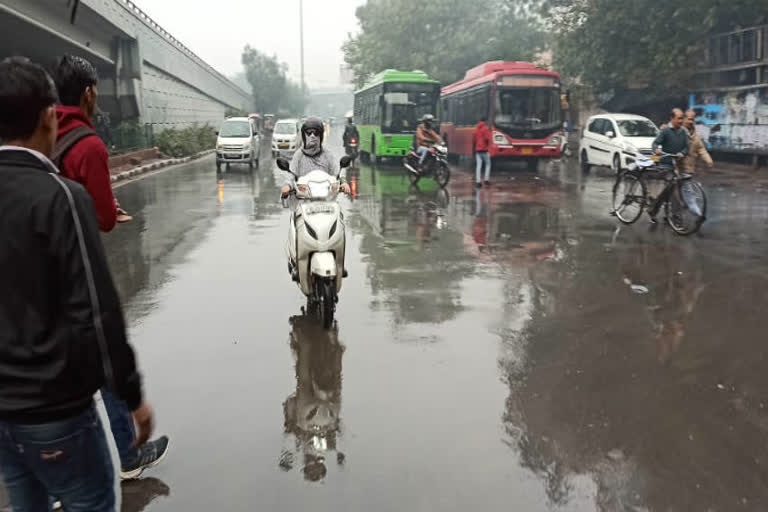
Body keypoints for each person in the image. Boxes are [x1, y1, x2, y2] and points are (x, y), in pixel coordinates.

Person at [0, 56, 155, 511]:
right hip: (55, 411)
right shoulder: (63, 197)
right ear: (49, 116)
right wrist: (132, 396)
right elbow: (95, 310)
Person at [52, 54, 169, 480]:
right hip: (75, 272)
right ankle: (127, 454)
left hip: (34, 280)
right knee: (104, 356)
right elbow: (101, 218)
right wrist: (107, 207)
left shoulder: (37, 139)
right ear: (87, 93)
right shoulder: (88, 144)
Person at [52, 55, 131, 232]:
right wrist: (110, 206)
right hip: (71, 248)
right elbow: (105, 220)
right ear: (88, 93)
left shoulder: (40, 133)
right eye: (96, 88)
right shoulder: (90, 147)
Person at [281, 117, 351, 197]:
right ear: (304, 135)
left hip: (327, 199)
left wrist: (344, 182)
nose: (312, 136)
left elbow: (337, 171)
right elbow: (292, 174)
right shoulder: (299, 155)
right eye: (309, 132)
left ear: (320, 135)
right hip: (304, 200)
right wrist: (287, 185)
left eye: (316, 132)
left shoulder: (328, 154)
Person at [680, 109, 713, 173]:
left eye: (692, 119)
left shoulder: (696, 135)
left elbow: (701, 149)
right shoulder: (677, 132)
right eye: (689, 119)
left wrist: (708, 160)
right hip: (677, 170)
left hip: (689, 170)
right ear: (684, 119)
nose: (690, 122)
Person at [473, 116, 492, 187]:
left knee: (478, 166)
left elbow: (474, 139)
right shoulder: (485, 129)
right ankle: (486, 180)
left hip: (478, 150)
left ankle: (478, 182)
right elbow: (488, 138)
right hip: (484, 150)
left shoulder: (476, 129)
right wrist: (487, 145)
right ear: (485, 121)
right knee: (488, 164)